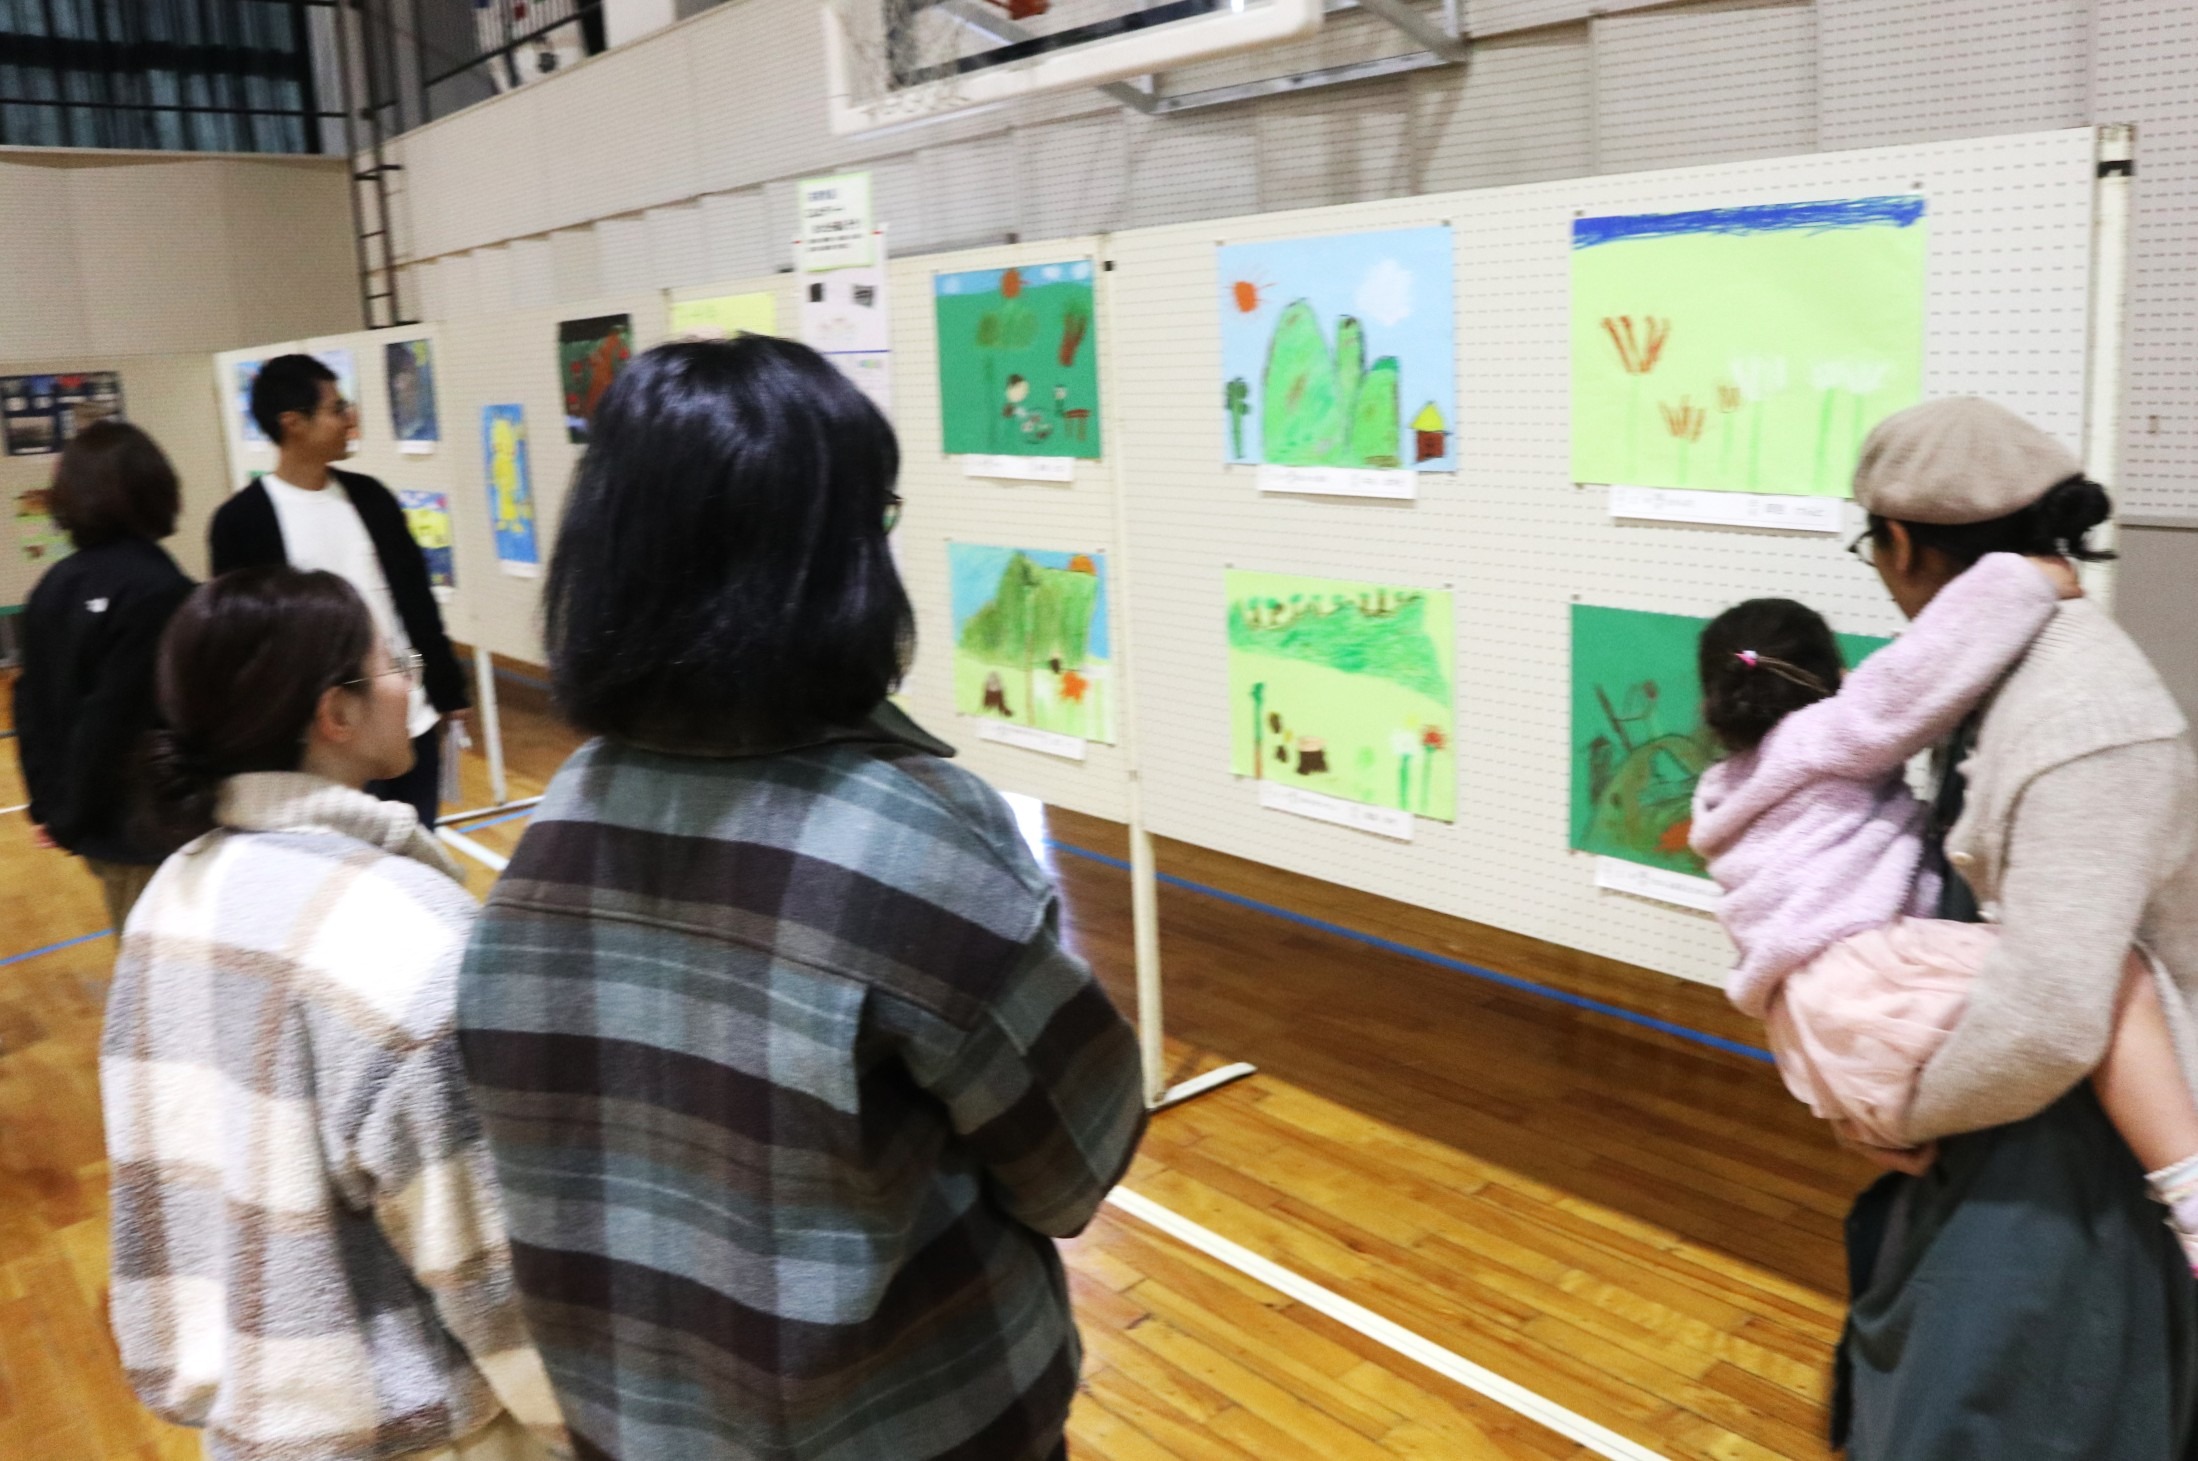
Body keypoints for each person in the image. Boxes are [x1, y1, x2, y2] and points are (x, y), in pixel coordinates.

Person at [456, 337, 1147, 1461]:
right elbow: (1078, 1151)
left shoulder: (563, 814)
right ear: (833, 560)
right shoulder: (907, 834)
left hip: (636, 1425)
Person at [102, 567, 567, 1461]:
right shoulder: (404, 935)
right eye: (391, 662)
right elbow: (484, 1258)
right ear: (336, 714)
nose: (409, 681)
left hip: (250, 1425)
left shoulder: (172, 894)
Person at [1826, 397, 2198, 1458]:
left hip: (2071, 1183)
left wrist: (1899, 1111)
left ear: (1899, 545)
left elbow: (2045, 1018)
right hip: (1999, 1131)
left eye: (1869, 547)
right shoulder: (1995, 675)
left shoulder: (2082, 716)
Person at [1689, 556, 2198, 1269]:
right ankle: (2189, 1191)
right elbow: (1922, 668)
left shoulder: (1721, 791)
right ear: (1833, 675)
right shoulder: (1822, 737)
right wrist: (2030, 577)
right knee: (2115, 972)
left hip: (1808, 1025)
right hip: (1871, 976)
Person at [208, 353, 468, 827]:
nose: (350, 419)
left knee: (416, 856)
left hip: (409, 719)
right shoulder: (241, 523)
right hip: (324, 744)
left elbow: (415, 601)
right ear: (293, 424)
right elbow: (243, 646)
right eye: (336, 408)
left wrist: (448, 690)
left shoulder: (371, 498)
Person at [12, 421, 195, 927]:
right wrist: (68, 814)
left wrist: (51, 807)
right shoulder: (158, 590)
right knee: (167, 988)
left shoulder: (54, 584)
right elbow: (112, 720)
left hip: (108, 833)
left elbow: (30, 705)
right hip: (151, 834)